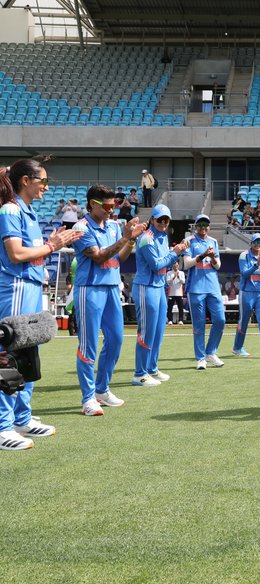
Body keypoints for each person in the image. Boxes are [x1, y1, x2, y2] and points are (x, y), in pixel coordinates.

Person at [0, 160, 82, 450]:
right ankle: (2, 425)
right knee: (9, 354)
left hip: (30, 286)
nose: (46, 187)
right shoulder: (10, 209)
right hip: (16, 287)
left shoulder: (29, 212)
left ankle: (21, 418)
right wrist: (53, 245)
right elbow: (15, 254)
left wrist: (50, 245)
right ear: (25, 180)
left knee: (28, 354)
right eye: (42, 181)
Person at [73, 185, 147, 416]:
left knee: (115, 340)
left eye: (113, 205)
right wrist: (124, 238)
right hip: (89, 289)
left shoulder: (114, 226)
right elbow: (99, 257)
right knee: (88, 345)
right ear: (91, 204)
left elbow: (120, 257)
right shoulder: (81, 228)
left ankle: (102, 389)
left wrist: (131, 241)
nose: (110, 210)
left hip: (112, 288)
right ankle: (88, 398)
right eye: (105, 206)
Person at [132, 205, 189, 386]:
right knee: (146, 331)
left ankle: (152, 368)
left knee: (158, 332)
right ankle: (140, 373)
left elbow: (164, 263)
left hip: (158, 287)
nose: (163, 223)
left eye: (166, 220)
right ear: (152, 220)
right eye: (159, 219)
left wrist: (175, 252)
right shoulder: (146, 239)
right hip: (145, 287)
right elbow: (156, 265)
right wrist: (176, 252)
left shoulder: (162, 237)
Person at [184, 214, 225, 370]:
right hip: (196, 288)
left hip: (213, 287)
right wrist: (202, 256)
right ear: (195, 226)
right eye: (200, 224)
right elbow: (187, 264)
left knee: (220, 320)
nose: (203, 228)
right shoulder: (189, 242)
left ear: (209, 227)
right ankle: (200, 358)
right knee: (199, 324)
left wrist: (213, 258)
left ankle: (211, 352)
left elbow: (218, 266)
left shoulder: (213, 242)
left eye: (206, 225)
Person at [233, 232, 260, 359]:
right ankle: (237, 347)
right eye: (255, 242)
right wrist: (256, 265)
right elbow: (244, 273)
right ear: (251, 243)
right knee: (244, 321)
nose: (258, 244)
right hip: (247, 292)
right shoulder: (244, 256)